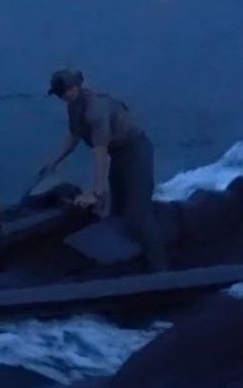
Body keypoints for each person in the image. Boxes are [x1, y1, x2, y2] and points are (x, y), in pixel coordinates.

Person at [39, 68, 168, 271]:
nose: (63, 96)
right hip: (118, 154)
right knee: (117, 210)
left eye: (66, 91)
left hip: (136, 151)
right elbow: (74, 136)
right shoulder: (74, 107)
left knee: (140, 214)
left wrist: (96, 193)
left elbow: (100, 153)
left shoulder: (95, 110)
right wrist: (53, 161)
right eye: (59, 94)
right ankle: (124, 261)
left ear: (76, 86)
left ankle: (160, 270)